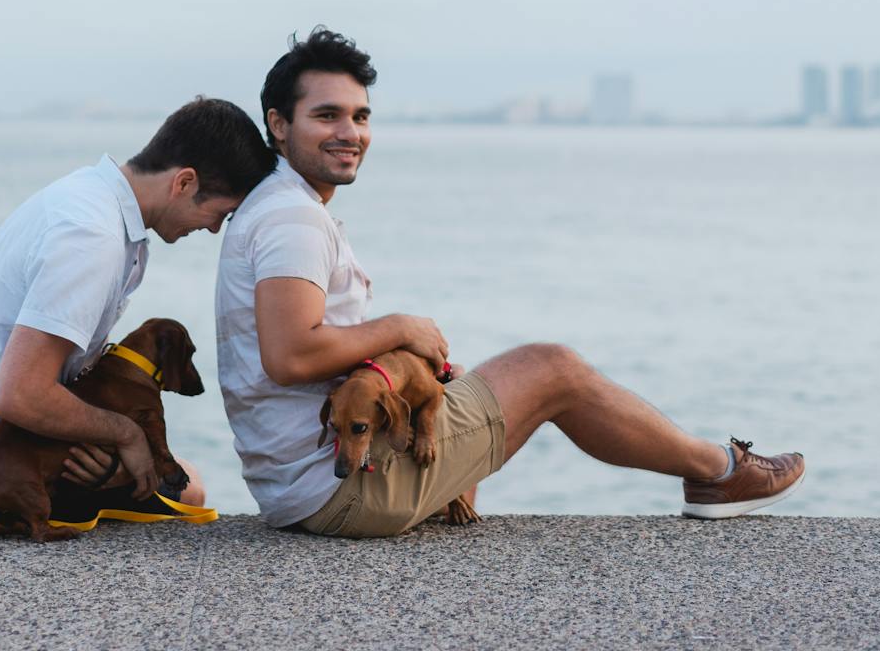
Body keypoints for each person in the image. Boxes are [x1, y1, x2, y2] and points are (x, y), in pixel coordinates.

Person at [216, 29, 806, 537]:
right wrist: (400, 327)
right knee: (553, 368)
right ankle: (721, 473)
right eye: (327, 116)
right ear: (279, 124)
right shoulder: (292, 218)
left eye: (360, 115)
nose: (350, 132)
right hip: (339, 492)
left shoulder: (282, 206)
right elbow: (290, 356)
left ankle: (453, 490)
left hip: (303, 488)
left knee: (461, 381)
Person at [0, 96, 276, 524]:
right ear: (184, 182)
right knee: (188, 492)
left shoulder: (90, 196)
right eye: (219, 213)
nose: (211, 229)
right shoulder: (91, 239)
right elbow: (18, 395)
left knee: (171, 477)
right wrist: (127, 435)